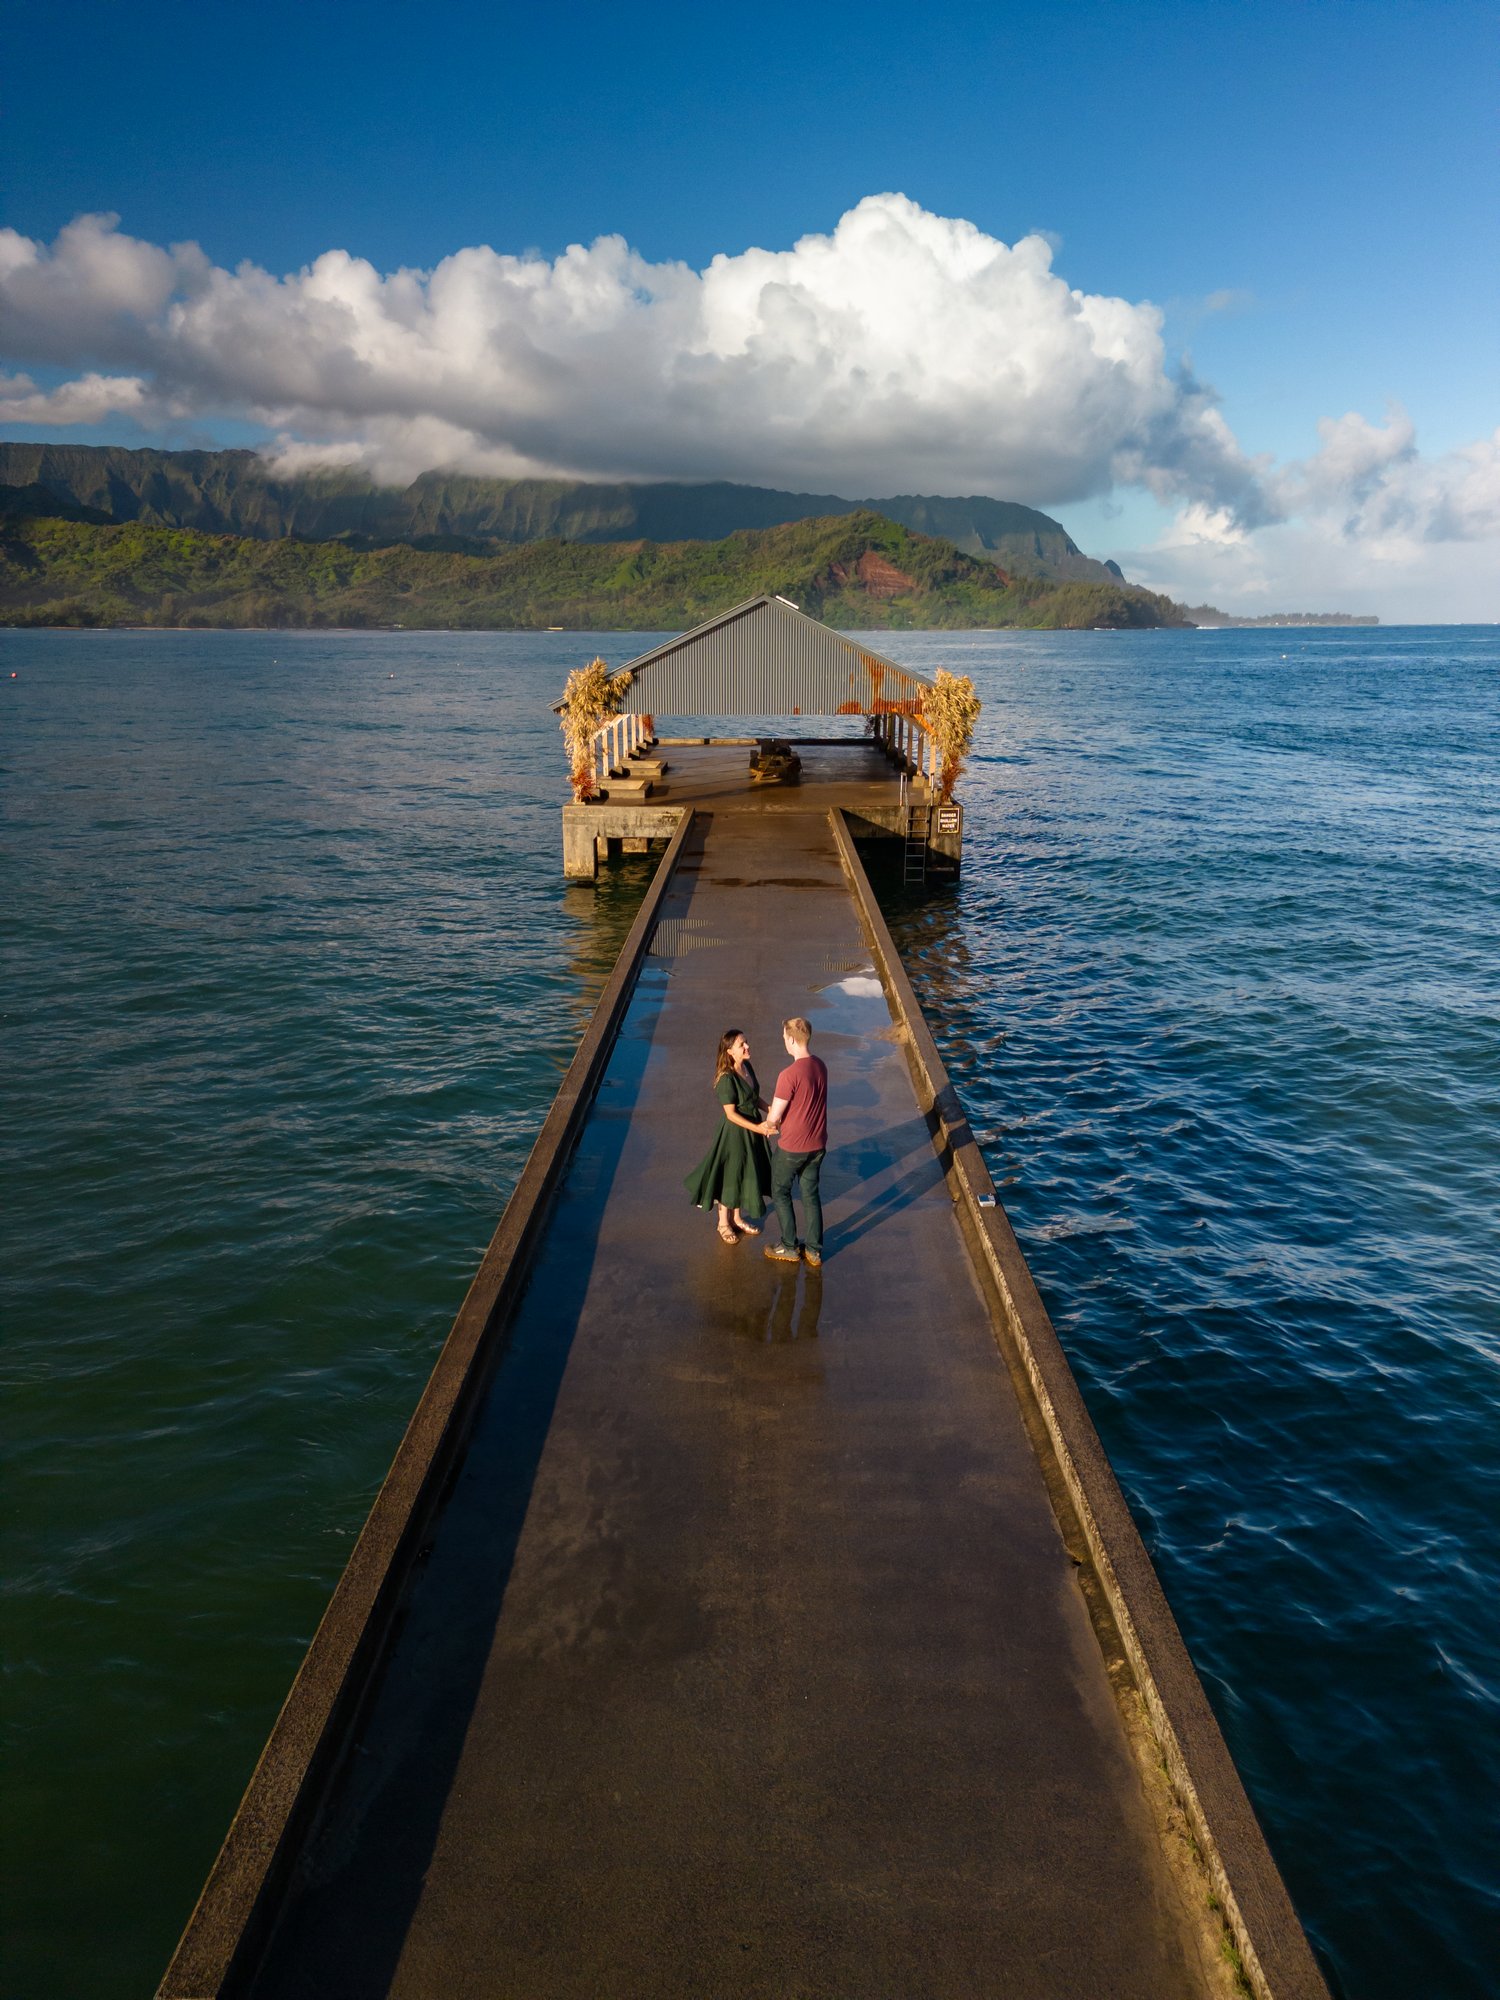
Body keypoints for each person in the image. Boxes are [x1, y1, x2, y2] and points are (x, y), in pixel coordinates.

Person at [684, 1029, 774, 1245]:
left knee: (745, 1172)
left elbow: (753, 1096)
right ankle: (723, 1223)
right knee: (731, 1176)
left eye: (747, 1042)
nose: (747, 1047)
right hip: (735, 1134)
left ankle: (737, 1218)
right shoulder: (726, 1079)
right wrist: (760, 1128)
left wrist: (769, 1108)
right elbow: (731, 1114)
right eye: (742, 1044)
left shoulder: (747, 1066)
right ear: (730, 1051)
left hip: (751, 1130)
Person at [763, 1016, 828, 1268]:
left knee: (780, 1192)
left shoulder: (788, 1075)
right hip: (817, 1143)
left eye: (783, 1037)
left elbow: (775, 1116)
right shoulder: (821, 1065)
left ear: (791, 1039)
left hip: (792, 1146)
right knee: (811, 1195)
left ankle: (789, 1246)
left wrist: (767, 1126)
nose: (783, 1041)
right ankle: (813, 1250)